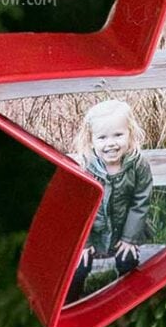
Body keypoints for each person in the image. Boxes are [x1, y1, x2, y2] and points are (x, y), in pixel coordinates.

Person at [66, 99, 153, 303]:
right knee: (79, 266)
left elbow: (140, 201)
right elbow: (77, 209)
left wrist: (130, 238)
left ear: (130, 134)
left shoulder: (138, 165)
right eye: (102, 137)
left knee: (127, 260)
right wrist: (84, 242)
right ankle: (70, 303)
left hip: (124, 230)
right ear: (91, 140)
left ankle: (127, 301)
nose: (111, 143)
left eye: (118, 135)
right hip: (92, 233)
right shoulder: (84, 168)